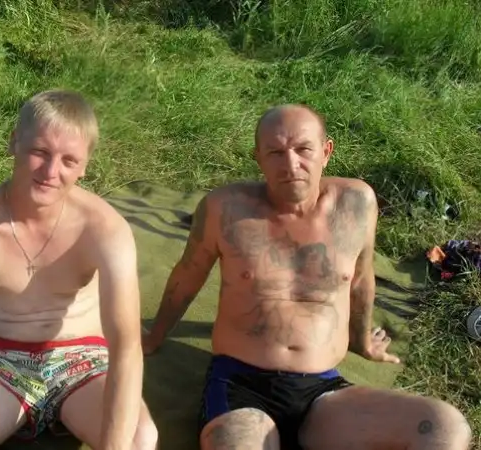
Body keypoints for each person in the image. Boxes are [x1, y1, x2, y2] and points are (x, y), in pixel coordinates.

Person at [142, 104, 472, 450]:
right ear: (258, 158)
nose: (290, 164)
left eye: (303, 149)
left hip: (323, 392)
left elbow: (360, 278)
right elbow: (188, 274)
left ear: (326, 152)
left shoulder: (356, 204)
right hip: (241, 386)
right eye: (275, 152)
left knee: (445, 427)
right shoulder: (224, 208)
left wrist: (361, 340)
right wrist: (154, 336)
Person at [0, 90, 158, 450]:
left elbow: (126, 345)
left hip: (85, 360)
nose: (51, 172)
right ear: (14, 143)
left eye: (69, 160)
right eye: (40, 152)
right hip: (7, 361)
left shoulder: (103, 228)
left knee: (139, 439)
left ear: (85, 166)